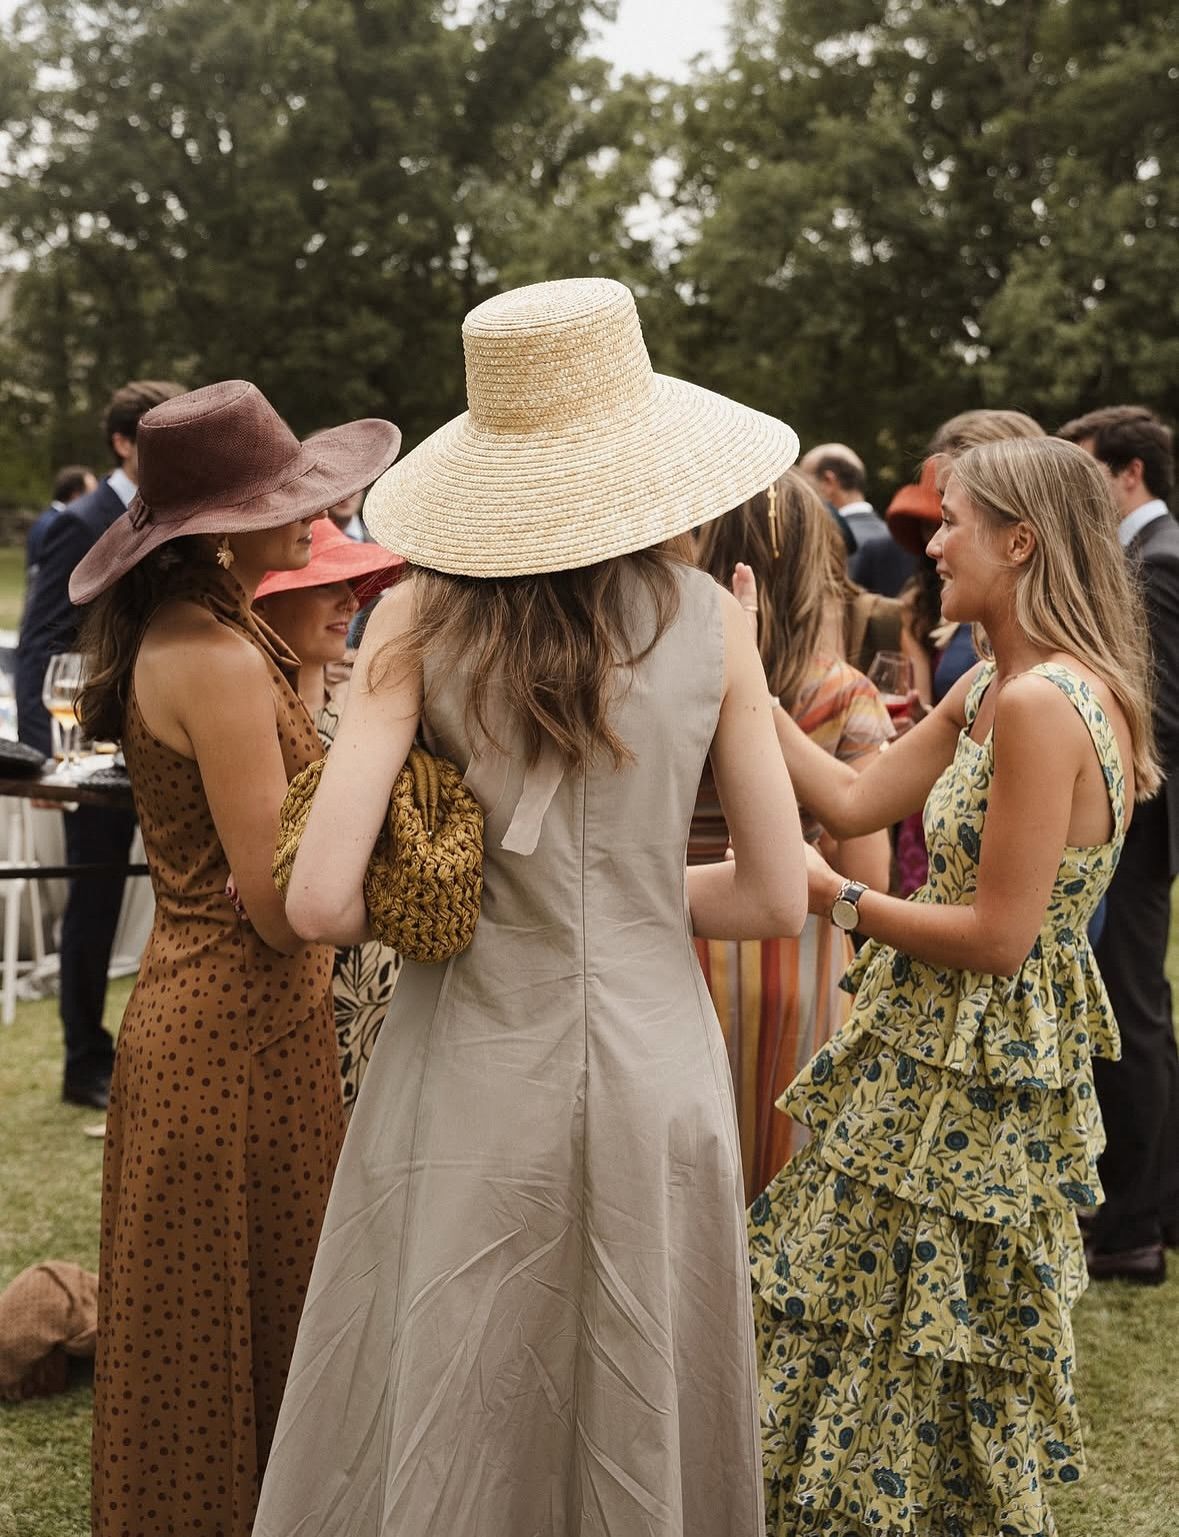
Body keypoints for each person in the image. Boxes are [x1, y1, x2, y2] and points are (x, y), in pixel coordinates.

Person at [253, 276, 807, 1537]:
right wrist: (617, 901)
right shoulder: (715, 621)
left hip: (463, 1073)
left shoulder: (408, 624)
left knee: (457, 1395)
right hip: (657, 1069)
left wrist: (487, 891)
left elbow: (321, 898)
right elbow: (777, 895)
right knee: (635, 1395)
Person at [747, 435, 1156, 1535]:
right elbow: (853, 788)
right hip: (941, 1054)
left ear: (1021, 541)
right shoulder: (993, 685)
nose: (933, 542)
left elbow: (999, 936)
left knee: (913, 1338)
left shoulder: (1039, 705)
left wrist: (839, 900)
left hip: (970, 1075)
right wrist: (742, 679)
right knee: (887, 1326)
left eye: (956, 520)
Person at [70, 379, 401, 1537]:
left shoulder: (223, 633)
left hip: (238, 1023)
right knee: (218, 1336)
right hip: (230, 1035)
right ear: (222, 528)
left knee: (254, 1317)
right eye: (286, 499)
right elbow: (275, 905)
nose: (312, 517)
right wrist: (419, 891)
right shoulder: (209, 654)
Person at [691, 469, 893, 1198]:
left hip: (671, 954)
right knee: (788, 1198)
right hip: (797, 967)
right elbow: (868, 866)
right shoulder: (841, 694)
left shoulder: (654, 678)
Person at [16, 379, 184, 1110]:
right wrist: (49, 757)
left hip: (174, 739)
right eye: (159, 435)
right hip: (92, 755)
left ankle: (159, 1048)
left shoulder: (178, 516)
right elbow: (43, 645)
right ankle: (84, 1059)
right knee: (94, 901)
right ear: (123, 442)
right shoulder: (81, 520)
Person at [1059, 403, 1179, 1283]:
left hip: (1135, 821)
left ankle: (1134, 1227)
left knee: (1132, 1012)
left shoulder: (1157, 563)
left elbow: (1160, 715)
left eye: (1085, 467)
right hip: (1127, 815)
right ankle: (1146, 1207)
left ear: (1127, 472)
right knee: (1136, 1007)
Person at [254, 515, 405, 1111]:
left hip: (378, 981)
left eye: (352, 586)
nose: (350, 601)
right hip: (287, 982)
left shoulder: (365, 710)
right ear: (271, 599)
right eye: (327, 585)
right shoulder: (248, 715)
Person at [801, 441, 915, 597]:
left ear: (829, 482)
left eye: (804, 484)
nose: (800, 494)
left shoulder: (823, 542)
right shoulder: (906, 539)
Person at [24, 465, 97, 588]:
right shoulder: (60, 524)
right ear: (76, 495)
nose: (97, 499)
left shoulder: (47, 519)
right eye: (93, 493)